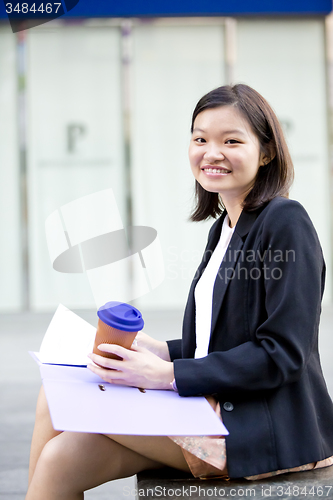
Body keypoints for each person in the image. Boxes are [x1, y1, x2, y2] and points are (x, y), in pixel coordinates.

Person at [26, 84, 333, 499]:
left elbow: (283, 351)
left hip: (252, 426)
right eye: (200, 138)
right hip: (211, 408)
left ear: (266, 152)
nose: (212, 152)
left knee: (59, 400)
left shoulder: (284, 220)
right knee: (60, 458)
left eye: (231, 141)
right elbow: (224, 339)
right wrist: (163, 351)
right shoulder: (223, 228)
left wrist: (168, 376)